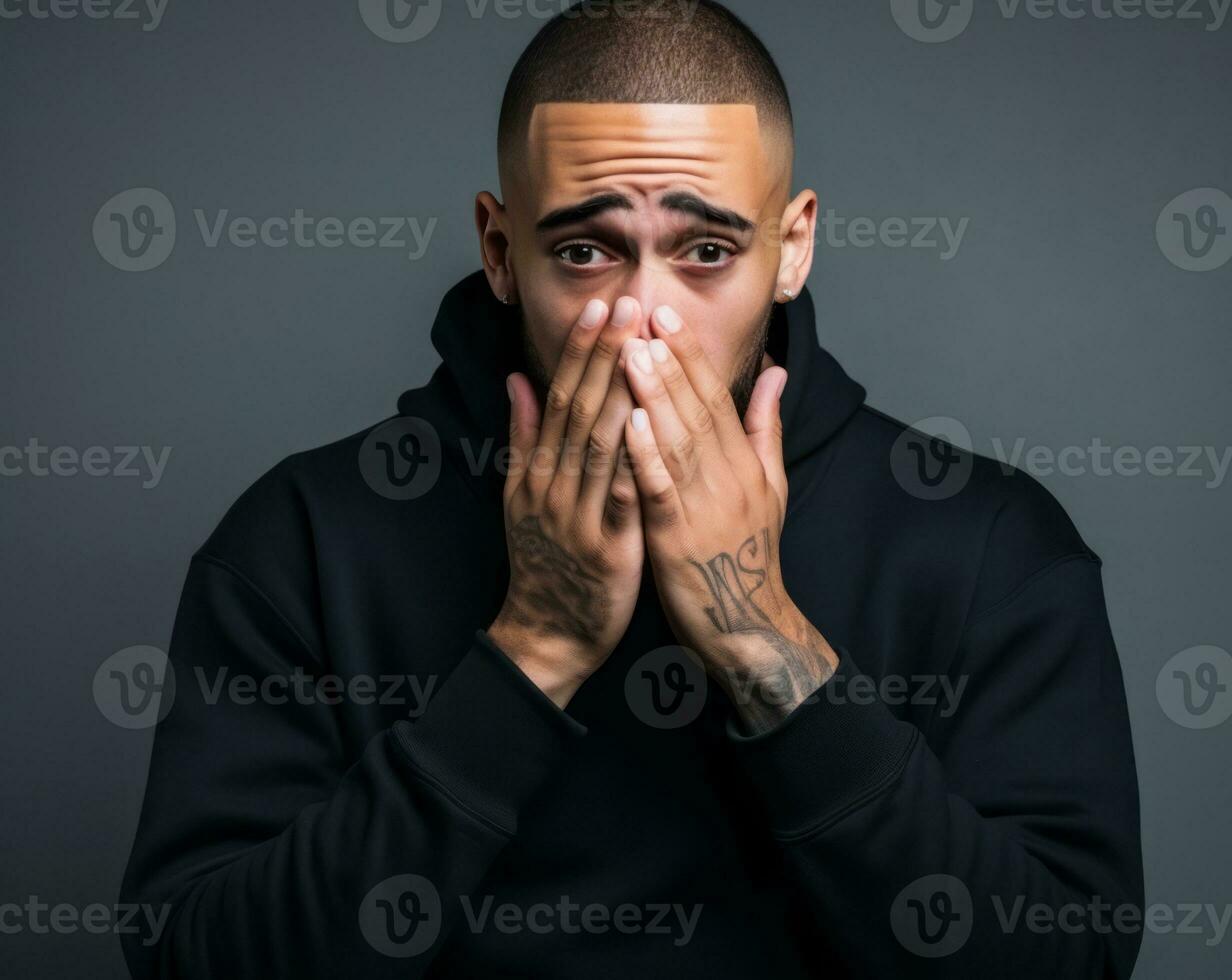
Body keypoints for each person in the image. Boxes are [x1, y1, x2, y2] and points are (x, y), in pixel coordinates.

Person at [119, 2, 1144, 976]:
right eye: (583, 250)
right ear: (499, 250)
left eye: (705, 251)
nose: (643, 317)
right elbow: (191, 957)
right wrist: (534, 649)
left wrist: (764, 642)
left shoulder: (987, 543)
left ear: (790, 248)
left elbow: (1065, 959)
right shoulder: (300, 538)